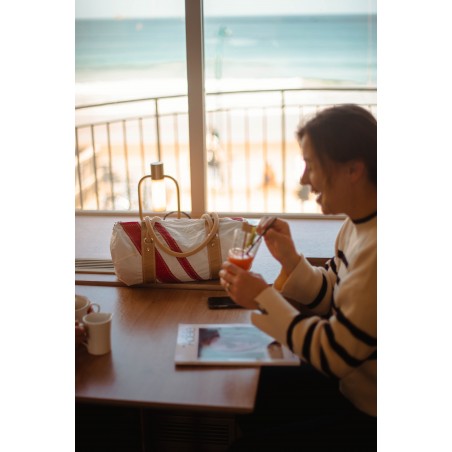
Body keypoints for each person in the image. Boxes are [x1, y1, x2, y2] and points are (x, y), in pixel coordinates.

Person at [219, 104, 377, 451]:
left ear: (353, 169)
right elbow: (337, 291)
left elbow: (333, 353)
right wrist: (290, 259)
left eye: (311, 165)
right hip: (351, 382)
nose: (304, 179)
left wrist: (263, 298)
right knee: (250, 389)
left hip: (371, 410)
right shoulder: (357, 225)